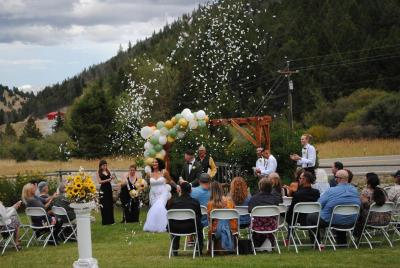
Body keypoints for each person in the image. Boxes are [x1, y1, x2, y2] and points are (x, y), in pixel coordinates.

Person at [307, 170, 361, 245]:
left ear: (339, 179)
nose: (335, 179)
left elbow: (319, 204)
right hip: (351, 220)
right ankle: (342, 243)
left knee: (310, 217)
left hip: (333, 220)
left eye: (336, 177)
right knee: (340, 216)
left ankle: (316, 244)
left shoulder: (331, 191)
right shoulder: (355, 190)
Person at [167, 182, 204, 256]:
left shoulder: (173, 202)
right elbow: (199, 216)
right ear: (191, 191)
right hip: (191, 227)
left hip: (174, 228)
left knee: (176, 221)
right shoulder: (195, 202)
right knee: (199, 226)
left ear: (180, 190)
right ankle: (199, 249)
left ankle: (174, 247)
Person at [248, 177, 281, 251]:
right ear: (271, 187)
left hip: (257, 225)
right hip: (271, 225)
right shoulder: (275, 199)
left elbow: (250, 211)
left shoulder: (254, 198)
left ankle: (257, 245)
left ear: (260, 186)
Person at [354, 173, 391, 238]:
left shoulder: (366, 192)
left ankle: (357, 234)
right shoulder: (383, 191)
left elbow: (362, 204)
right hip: (385, 220)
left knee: (358, 213)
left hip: (371, 220)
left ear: (369, 183)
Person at [143, 158, 174, 232]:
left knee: (159, 207)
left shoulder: (164, 172)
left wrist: (177, 186)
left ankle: (164, 226)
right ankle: (155, 225)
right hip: (153, 194)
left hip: (163, 193)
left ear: (159, 163)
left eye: (156, 162)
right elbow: (146, 184)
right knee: (155, 209)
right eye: (153, 162)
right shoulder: (149, 174)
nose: (154, 164)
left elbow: (170, 181)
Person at [286, 171, 320, 236]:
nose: (299, 180)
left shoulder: (298, 194)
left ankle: (290, 237)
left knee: (289, 215)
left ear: (305, 180)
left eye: (300, 178)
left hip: (300, 220)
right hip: (314, 220)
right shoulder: (316, 192)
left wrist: (287, 217)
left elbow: (291, 210)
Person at [207, 181, 237, 252]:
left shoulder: (210, 204)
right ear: (221, 189)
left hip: (216, 229)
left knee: (212, 228)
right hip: (232, 228)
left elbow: (209, 219)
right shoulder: (229, 201)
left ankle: (214, 249)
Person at [96, 159, 115, 225]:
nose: (105, 167)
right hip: (103, 189)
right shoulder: (98, 172)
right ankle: (105, 221)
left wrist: (112, 178)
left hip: (109, 188)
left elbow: (109, 180)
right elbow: (99, 181)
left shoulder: (107, 171)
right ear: (100, 166)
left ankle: (111, 221)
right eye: (103, 165)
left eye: (106, 165)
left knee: (110, 204)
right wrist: (108, 179)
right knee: (104, 204)